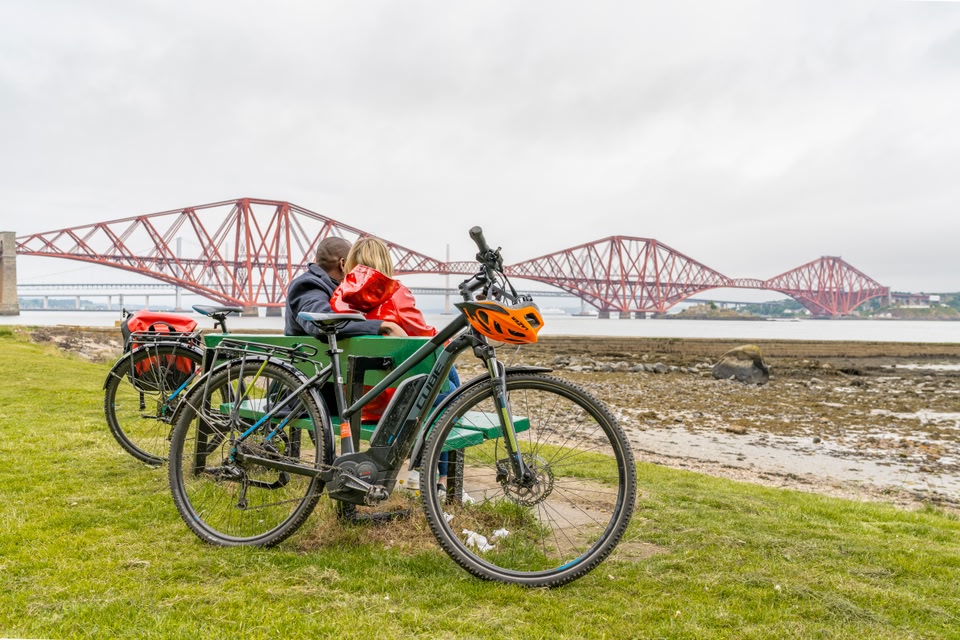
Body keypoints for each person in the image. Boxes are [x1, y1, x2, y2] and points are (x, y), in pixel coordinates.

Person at [330, 237, 460, 496]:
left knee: (450, 386)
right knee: (452, 393)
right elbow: (428, 337)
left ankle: (435, 477)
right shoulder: (395, 293)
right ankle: (434, 476)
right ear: (384, 262)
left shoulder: (338, 295)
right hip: (393, 405)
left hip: (358, 402)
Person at [284, 237, 405, 339]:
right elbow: (322, 323)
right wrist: (383, 326)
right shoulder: (308, 284)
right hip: (311, 361)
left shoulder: (338, 287)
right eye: (354, 264)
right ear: (343, 264)